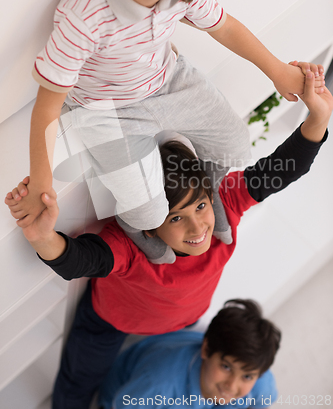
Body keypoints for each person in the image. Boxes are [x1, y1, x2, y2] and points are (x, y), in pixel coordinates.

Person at [10, 0, 325, 264]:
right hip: (107, 110)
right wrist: (41, 183)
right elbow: (47, 107)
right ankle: (139, 228)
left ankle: (210, 197)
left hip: (170, 79)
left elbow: (224, 27)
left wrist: (277, 71)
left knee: (236, 147)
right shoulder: (85, 14)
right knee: (148, 215)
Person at [5, 69, 332, 408]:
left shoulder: (224, 204)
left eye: (200, 206)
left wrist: (319, 115)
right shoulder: (132, 245)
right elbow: (79, 260)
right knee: (77, 383)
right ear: (150, 226)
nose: (197, 228)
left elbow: (281, 169)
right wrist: (41, 235)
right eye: (176, 217)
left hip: (183, 319)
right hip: (110, 322)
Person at [98, 299, 281, 409]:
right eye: (226, 367)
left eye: (247, 376)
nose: (232, 386)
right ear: (206, 350)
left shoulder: (260, 382)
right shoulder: (157, 384)